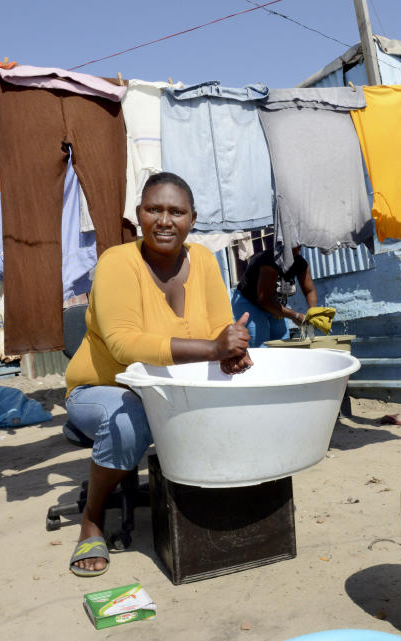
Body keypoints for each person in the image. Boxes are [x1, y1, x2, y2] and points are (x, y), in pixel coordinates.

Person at [64, 172, 253, 577]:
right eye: (154, 209)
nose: (164, 220)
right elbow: (123, 345)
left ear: (192, 218)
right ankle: (93, 519)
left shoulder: (202, 260)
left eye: (176, 211)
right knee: (131, 416)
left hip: (172, 388)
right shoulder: (117, 262)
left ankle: (214, 510)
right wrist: (212, 349)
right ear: (139, 214)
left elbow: (222, 326)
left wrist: (233, 350)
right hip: (103, 390)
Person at [231, 246, 319, 347]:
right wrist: (295, 316)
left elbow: (310, 290)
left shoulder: (300, 263)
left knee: (282, 344)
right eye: (292, 245)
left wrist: (313, 311)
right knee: (261, 346)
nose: (295, 249)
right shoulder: (268, 261)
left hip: (275, 304)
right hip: (250, 302)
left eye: (298, 246)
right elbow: (265, 299)